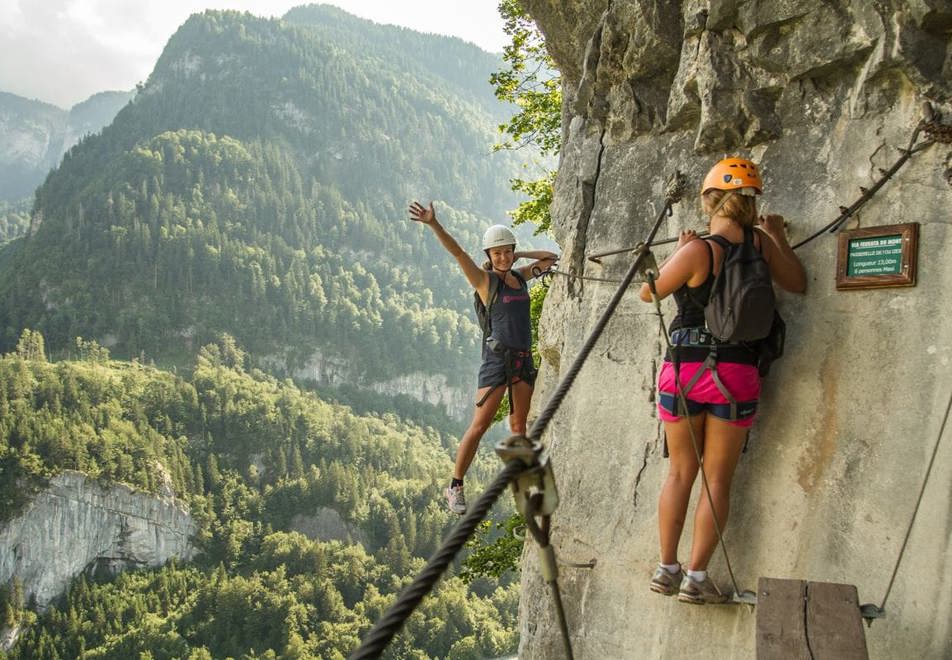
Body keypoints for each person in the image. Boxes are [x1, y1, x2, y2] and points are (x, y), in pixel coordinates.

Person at [638, 158, 806, 603]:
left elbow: (648, 292)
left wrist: (681, 250)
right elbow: (798, 283)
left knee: (679, 472)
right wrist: (779, 238)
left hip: (686, 372)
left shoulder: (698, 250)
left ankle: (666, 567)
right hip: (737, 374)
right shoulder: (761, 245)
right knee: (717, 481)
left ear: (709, 200)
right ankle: (696, 577)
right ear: (752, 204)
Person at [409, 201, 558, 514]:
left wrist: (519, 256)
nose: (502, 257)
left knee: (519, 426)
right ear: (488, 256)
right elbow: (459, 253)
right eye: (497, 253)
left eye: (507, 251)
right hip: (496, 361)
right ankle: (455, 485)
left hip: (521, 361)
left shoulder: (520, 276)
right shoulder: (485, 282)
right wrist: (435, 224)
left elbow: (551, 258)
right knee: (480, 425)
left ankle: (527, 490)